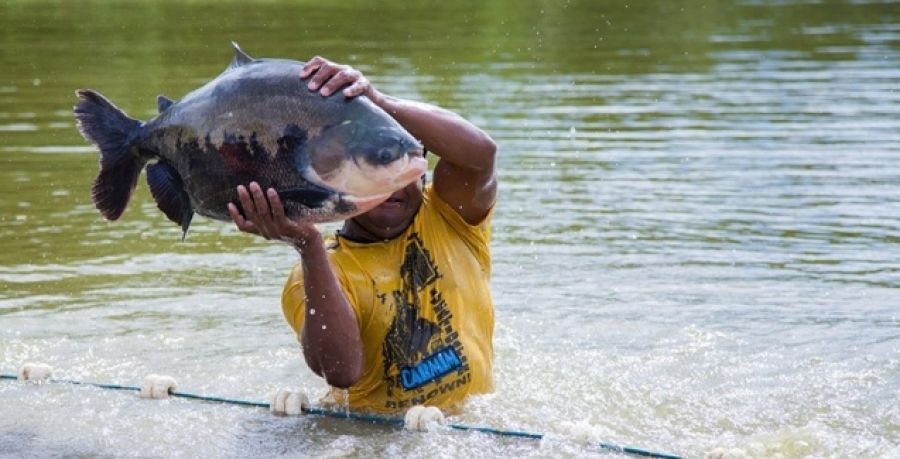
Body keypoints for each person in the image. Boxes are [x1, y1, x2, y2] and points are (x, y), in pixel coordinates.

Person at [228, 56, 498, 416]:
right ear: (337, 178)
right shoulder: (320, 269)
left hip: (472, 431)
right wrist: (308, 245)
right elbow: (341, 372)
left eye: (400, 169)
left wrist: (378, 101)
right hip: (379, 441)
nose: (391, 186)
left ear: (421, 170)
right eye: (373, 170)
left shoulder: (451, 218)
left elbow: (481, 154)